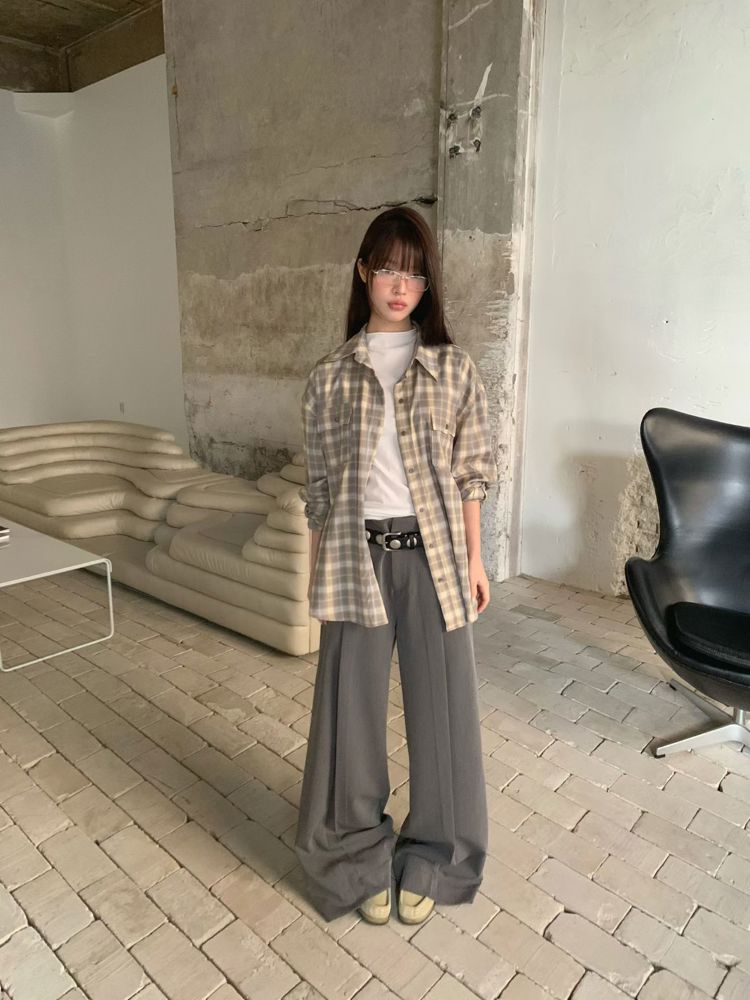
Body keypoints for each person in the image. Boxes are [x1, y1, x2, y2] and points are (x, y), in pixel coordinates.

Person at [294, 206, 498, 926]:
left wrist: (475, 560)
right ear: (363, 272)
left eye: (414, 272)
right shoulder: (328, 378)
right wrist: (316, 574)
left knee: (445, 715)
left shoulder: (453, 369)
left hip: (433, 556)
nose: (401, 284)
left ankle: (438, 857)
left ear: (427, 284)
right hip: (356, 556)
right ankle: (352, 856)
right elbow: (320, 492)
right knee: (349, 715)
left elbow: (471, 473)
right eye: (387, 268)